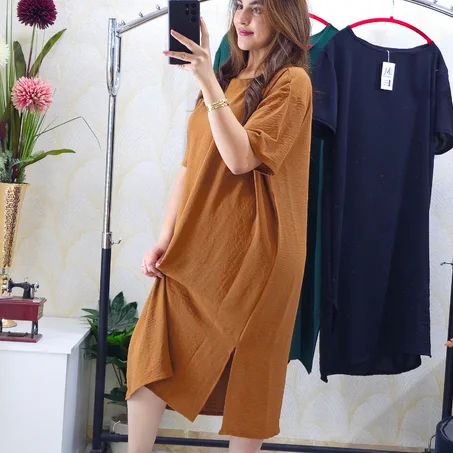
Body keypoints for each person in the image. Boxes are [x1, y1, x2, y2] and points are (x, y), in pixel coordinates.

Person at [126, 0, 313, 451]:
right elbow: (190, 166)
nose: (242, 19)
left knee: (251, 370)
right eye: (239, 6)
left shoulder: (292, 82)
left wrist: (206, 79)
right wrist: (165, 238)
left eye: (257, 9)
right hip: (200, 241)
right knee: (150, 351)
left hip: (259, 249)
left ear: (284, 16)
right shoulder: (225, 78)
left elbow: (240, 158)